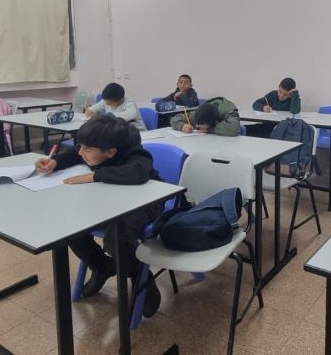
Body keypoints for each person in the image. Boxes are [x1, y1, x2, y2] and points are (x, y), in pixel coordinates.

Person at [34, 114, 163, 317]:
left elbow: (138, 173)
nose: (80, 152)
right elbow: (75, 155)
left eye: (87, 149)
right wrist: (55, 163)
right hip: (108, 201)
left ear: (111, 152)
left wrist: (94, 175)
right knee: (69, 226)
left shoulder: (134, 152)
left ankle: (142, 279)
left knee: (115, 238)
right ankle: (102, 266)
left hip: (145, 202)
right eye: (81, 146)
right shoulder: (96, 147)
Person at [169, 96, 240, 136]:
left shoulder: (227, 111)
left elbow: (234, 128)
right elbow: (175, 118)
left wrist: (209, 129)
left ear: (214, 122)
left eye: (200, 126)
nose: (197, 127)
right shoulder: (200, 113)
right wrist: (182, 126)